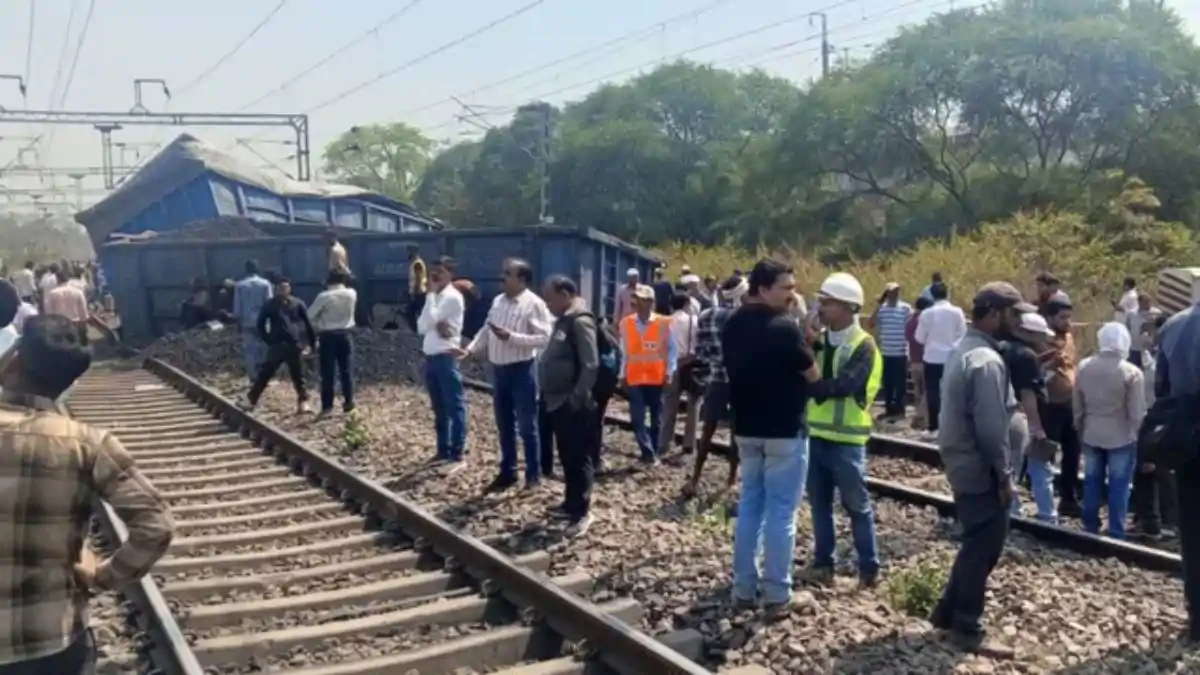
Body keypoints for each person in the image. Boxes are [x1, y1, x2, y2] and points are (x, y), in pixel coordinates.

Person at [0, 314, 174, 675]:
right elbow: (155, 525)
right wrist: (104, 576)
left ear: (14, 359)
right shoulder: (87, 444)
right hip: (51, 641)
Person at [931, 282, 1030, 657]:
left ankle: (946, 612)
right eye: (1013, 314)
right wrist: (1004, 475)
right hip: (980, 467)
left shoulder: (967, 349)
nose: (1018, 321)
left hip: (965, 461)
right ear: (993, 314)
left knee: (978, 539)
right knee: (984, 545)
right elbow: (991, 427)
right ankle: (966, 625)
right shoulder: (986, 362)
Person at [722, 259, 819, 618]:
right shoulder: (784, 329)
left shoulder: (732, 324)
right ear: (763, 289)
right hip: (785, 431)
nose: (793, 294)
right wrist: (805, 332)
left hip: (746, 428)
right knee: (781, 512)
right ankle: (778, 594)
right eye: (786, 288)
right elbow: (813, 374)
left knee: (750, 505)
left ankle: (743, 589)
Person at [803, 272, 883, 588]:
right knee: (819, 506)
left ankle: (869, 569)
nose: (821, 308)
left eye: (828, 302)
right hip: (816, 435)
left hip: (848, 440)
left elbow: (845, 386)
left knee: (857, 507)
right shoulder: (818, 342)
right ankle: (824, 563)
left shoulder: (863, 345)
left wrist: (812, 386)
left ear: (849, 307)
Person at [460, 259, 552, 491]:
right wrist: (471, 350)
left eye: (508, 274)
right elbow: (486, 328)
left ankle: (533, 475)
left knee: (527, 426)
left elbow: (544, 338)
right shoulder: (498, 301)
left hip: (522, 370)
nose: (502, 278)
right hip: (499, 371)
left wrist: (511, 337)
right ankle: (508, 472)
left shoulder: (534, 304)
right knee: (504, 425)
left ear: (522, 279)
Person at [539, 275, 600, 538]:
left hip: (572, 402)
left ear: (564, 295)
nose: (547, 303)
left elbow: (591, 364)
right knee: (566, 455)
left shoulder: (580, 321)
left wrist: (577, 397)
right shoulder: (564, 320)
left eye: (550, 298)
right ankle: (570, 503)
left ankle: (582, 512)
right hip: (557, 400)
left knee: (578, 457)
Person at [1074, 322, 1145, 540]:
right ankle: (1116, 531)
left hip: (1091, 432)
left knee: (1091, 482)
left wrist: (1079, 426)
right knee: (1119, 486)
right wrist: (1138, 435)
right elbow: (1136, 412)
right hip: (1122, 436)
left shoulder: (1084, 366)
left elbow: (1078, 403)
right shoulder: (1132, 372)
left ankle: (1090, 527)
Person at [682, 275, 747, 499]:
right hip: (738, 382)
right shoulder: (743, 318)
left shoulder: (706, 315)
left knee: (707, 431)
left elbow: (700, 352)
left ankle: (695, 478)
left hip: (716, 379)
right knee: (736, 432)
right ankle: (731, 478)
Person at [1000, 312, 1054, 521]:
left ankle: (1012, 509)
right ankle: (1047, 515)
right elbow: (1027, 392)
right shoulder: (1026, 356)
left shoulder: (1004, 348)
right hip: (1026, 418)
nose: (1044, 339)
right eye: (1041, 335)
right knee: (1040, 467)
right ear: (1029, 334)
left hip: (1006, 414)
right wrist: (1036, 427)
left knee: (1010, 466)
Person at [418, 256, 467, 467]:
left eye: (440, 271)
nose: (435, 275)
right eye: (433, 271)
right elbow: (421, 327)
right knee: (439, 408)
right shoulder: (436, 297)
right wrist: (434, 321)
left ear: (450, 274)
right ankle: (442, 449)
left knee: (454, 406)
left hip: (446, 357)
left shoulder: (451, 297)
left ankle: (456, 452)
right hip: (431, 357)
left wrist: (430, 297)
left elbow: (428, 320)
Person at [1131, 314, 1177, 541]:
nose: (1148, 336)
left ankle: (1158, 520)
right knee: (1158, 469)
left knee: (1152, 469)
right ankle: (1157, 518)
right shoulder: (1160, 355)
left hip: (1156, 416)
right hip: (1158, 415)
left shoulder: (1163, 357)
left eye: (1151, 331)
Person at [620, 284, 675, 464]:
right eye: (637, 299)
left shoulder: (664, 323)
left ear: (651, 302)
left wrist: (669, 372)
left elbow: (672, 350)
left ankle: (652, 451)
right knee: (637, 418)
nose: (637, 303)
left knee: (656, 418)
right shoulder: (626, 323)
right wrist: (622, 374)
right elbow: (624, 350)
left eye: (642, 300)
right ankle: (647, 451)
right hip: (635, 377)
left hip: (656, 377)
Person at [244, 277, 316, 414]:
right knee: (266, 373)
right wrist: (268, 339)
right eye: (280, 288)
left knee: (298, 375)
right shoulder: (270, 305)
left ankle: (303, 402)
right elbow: (260, 324)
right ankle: (251, 400)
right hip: (277, 345)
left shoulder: (297, 303)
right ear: (276, 289)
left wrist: (311, 343)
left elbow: (308, 324)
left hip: (294, 344)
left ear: (290, 289)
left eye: (286, 287)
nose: (283, 291)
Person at [1042, 294, 1082, 517]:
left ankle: (1068, 498)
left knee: (1072, 452)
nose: (1067, 322)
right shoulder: (1040, 340)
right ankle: (1042, 498)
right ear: (1049, 317)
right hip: (1049, 405)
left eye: (1069, 317)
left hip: (1069, 403)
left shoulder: (1068, 338)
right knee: (1046, 454)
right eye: (1062, 317)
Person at [915, 282, 965, 433]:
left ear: (931, 295)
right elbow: (963, 334)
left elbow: (919, 338)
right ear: (947, 293)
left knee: (933, 392)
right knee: (952, 392)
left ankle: (934, 427)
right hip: (951, 357)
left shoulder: (926, 313)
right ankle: (952, 426)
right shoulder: (957, 312)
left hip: (932, 357)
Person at [308, 269, 358, 417]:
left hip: (328, 336)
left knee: (328, 373)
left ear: (329, 280)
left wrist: (318, 323)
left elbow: (310, 316)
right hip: (346, 334)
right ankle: (349, 403)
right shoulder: (352, 294)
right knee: (346, 371)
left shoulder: (324, 296)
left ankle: (327, 407)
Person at [660, 292, 700, 455]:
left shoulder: (665, 322)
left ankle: (664, 442)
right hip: (690, 364)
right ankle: (689, 444)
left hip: (671, 365)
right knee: (694, 405)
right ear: (686, 304)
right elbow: (697, 345)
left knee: (669, 405)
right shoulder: (693, 320)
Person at [870, 282, 911, 420]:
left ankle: (900, 409)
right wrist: (878, 306)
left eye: (896, 292)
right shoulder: (882, 310)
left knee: (900, 383)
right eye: (892, 292)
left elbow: (910, 329)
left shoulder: (905, 308)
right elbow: (871, 323)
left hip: (900, 351)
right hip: (886, 352)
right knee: (887, 383)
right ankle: (889, 408)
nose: (895, 294)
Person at [233, 260, 273, 382]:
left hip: (247, 322)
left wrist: (237, 319)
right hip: (263, 321)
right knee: (264, 348)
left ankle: (252, 376)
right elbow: (269, 303)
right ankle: (264, 375)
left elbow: (237, 308)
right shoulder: (265, 284)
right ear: (257, 269)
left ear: (246, 270)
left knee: (250, 350)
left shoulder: (240, 285)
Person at [907, 296, 933, 429]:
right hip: (924, 360)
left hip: (914, 359)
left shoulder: (910, 321)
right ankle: (920, 418)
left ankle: (919, 418)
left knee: (918, 391)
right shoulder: (923, 321)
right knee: (927, 391)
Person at [43, 270, 89, 347]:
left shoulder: (52, 293)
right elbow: (83, 311)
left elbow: (49, 313)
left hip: (59, 325)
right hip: (75, 324)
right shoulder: (78, 292)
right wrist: (83, 324)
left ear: (58, 279)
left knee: (63, 347)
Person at [405, 245, 427, 332]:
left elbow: (418, 278)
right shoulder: (415, 263)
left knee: (411, 312)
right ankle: (418, 330)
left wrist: (415, 292)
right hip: (418, 291)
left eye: (410, 251)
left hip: (419, 292)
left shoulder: (417, 263)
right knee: (416, 312)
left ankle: (418, 330)